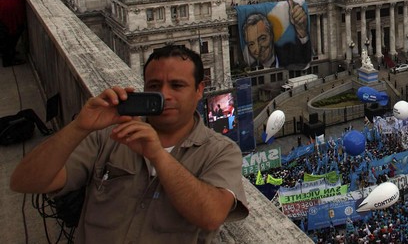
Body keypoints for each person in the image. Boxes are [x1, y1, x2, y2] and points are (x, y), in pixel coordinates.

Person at [10, 45, 248, 242]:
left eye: (177, 85)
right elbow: (25, 181)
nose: (164, 95)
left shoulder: (221, 151)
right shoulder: (107, 136)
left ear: (199, 90)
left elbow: (211, 215)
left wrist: (158, 155)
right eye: (154, 86)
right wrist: (79, 126)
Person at [241, 2, 311, 70]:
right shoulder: (251, 66)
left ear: (271, 35)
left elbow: (304, 59)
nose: (258, 48)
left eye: (262, 39)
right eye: (251, 44)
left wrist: (302, 31)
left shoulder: (288, 54)